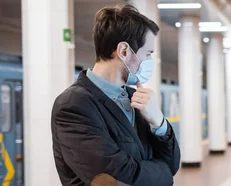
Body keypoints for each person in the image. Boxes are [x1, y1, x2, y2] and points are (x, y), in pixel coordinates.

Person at [51, 5, 180, 186]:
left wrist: (158, 122)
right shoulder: (73, 105)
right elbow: (113, 179)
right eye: (147, 54)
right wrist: (164, 174)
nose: (150, 62)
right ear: (124, 51)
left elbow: (172, 164)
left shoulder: (135, 98)